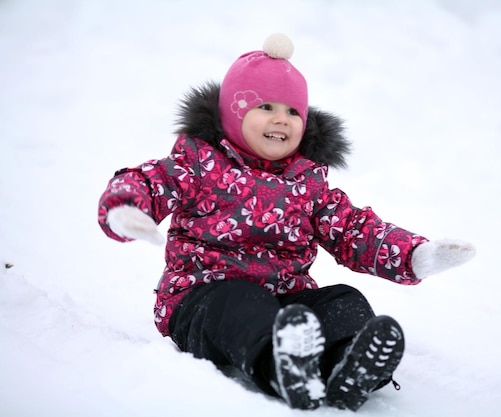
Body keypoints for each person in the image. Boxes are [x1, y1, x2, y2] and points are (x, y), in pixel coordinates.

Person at [97, 33, 475, 411]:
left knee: (343, 299)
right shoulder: (197, 163)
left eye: (294, 112)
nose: (282, 119)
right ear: (233, 112)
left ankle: (346, 365)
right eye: (266, 107)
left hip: (286, 304)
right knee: (239, 302)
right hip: (203, 298)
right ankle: (280, 367)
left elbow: (353, 228)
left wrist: (413, 255)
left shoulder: (307, 182)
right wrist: (128, 208)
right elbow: (150, 182)